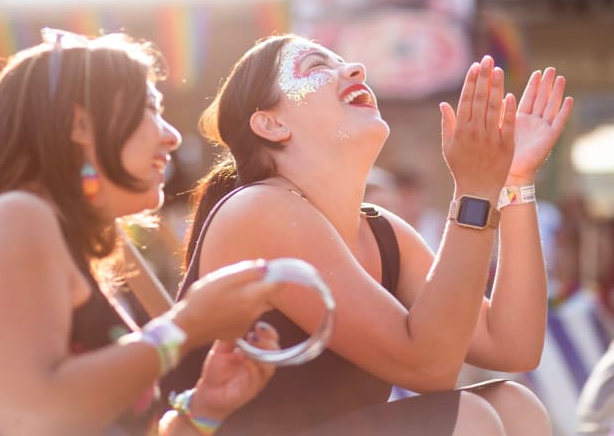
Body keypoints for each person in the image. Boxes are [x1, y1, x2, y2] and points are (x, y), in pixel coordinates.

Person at [164, 34, 573, 435]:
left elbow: (513, 344)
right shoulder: (259, 209)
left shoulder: (382, 231)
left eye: (343, 61)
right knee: (469, 417)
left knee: (515, 405)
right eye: (317, 66)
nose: (354, 68)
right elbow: (429, 368)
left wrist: (514, 181)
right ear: (270, 124)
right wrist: (473, 190)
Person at [0, 29, 286, 436]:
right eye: (150, 108)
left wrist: (204, 407)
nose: (171, 135)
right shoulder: (14, 218)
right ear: (80, 123)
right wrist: (185, 327)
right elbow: (30, 418)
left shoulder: (43, 231)